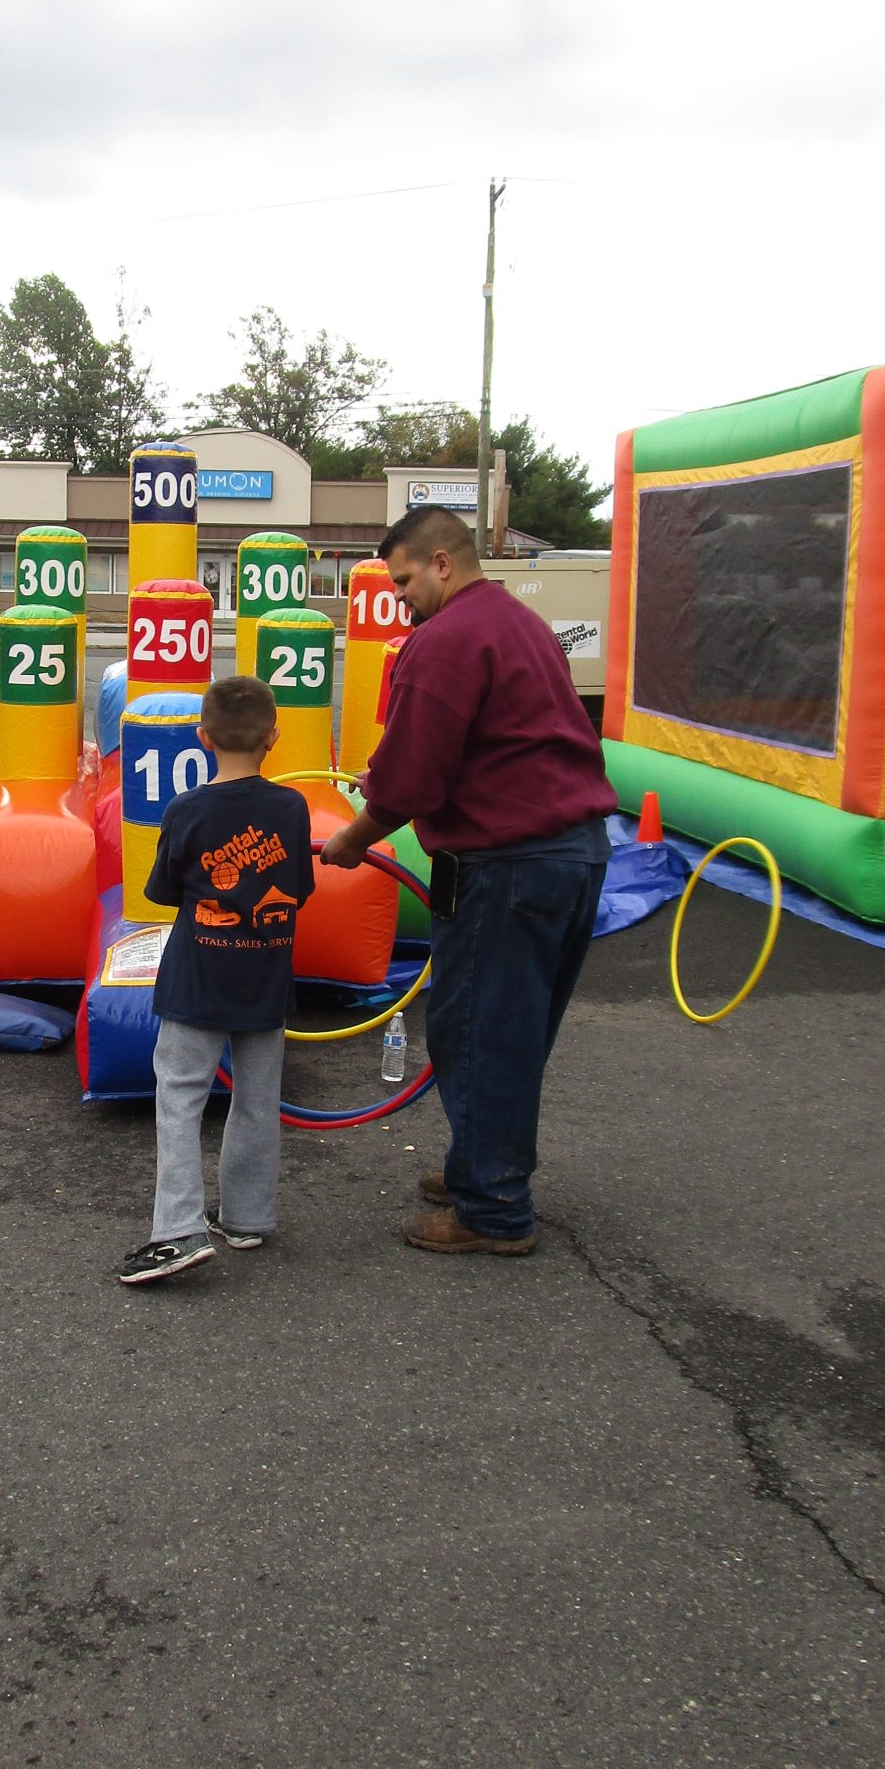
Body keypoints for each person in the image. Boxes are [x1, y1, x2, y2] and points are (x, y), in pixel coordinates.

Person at [320, 507, 615, 1256]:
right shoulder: (520, 623)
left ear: (443, 562)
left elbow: (415, 775)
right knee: (510, 1031)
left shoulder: (442, 640)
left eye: (406, 580)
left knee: (479, 1034)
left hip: (507, 866)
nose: (400, 598)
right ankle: (481, 1168)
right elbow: (490, 740)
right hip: (572, 854)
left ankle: (493, 1212)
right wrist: (392, 777)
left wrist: (352, 839)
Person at [117, 673, 315, 1286]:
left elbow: (162, 892)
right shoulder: (291, 807)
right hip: (264, 979)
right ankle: (247, 1217)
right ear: (273, 738)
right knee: (258, 1099)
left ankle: (176, 1231)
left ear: (202, 737)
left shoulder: (187, 810)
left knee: (179, 1097)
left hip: (197, 980)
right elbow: (299, 892)